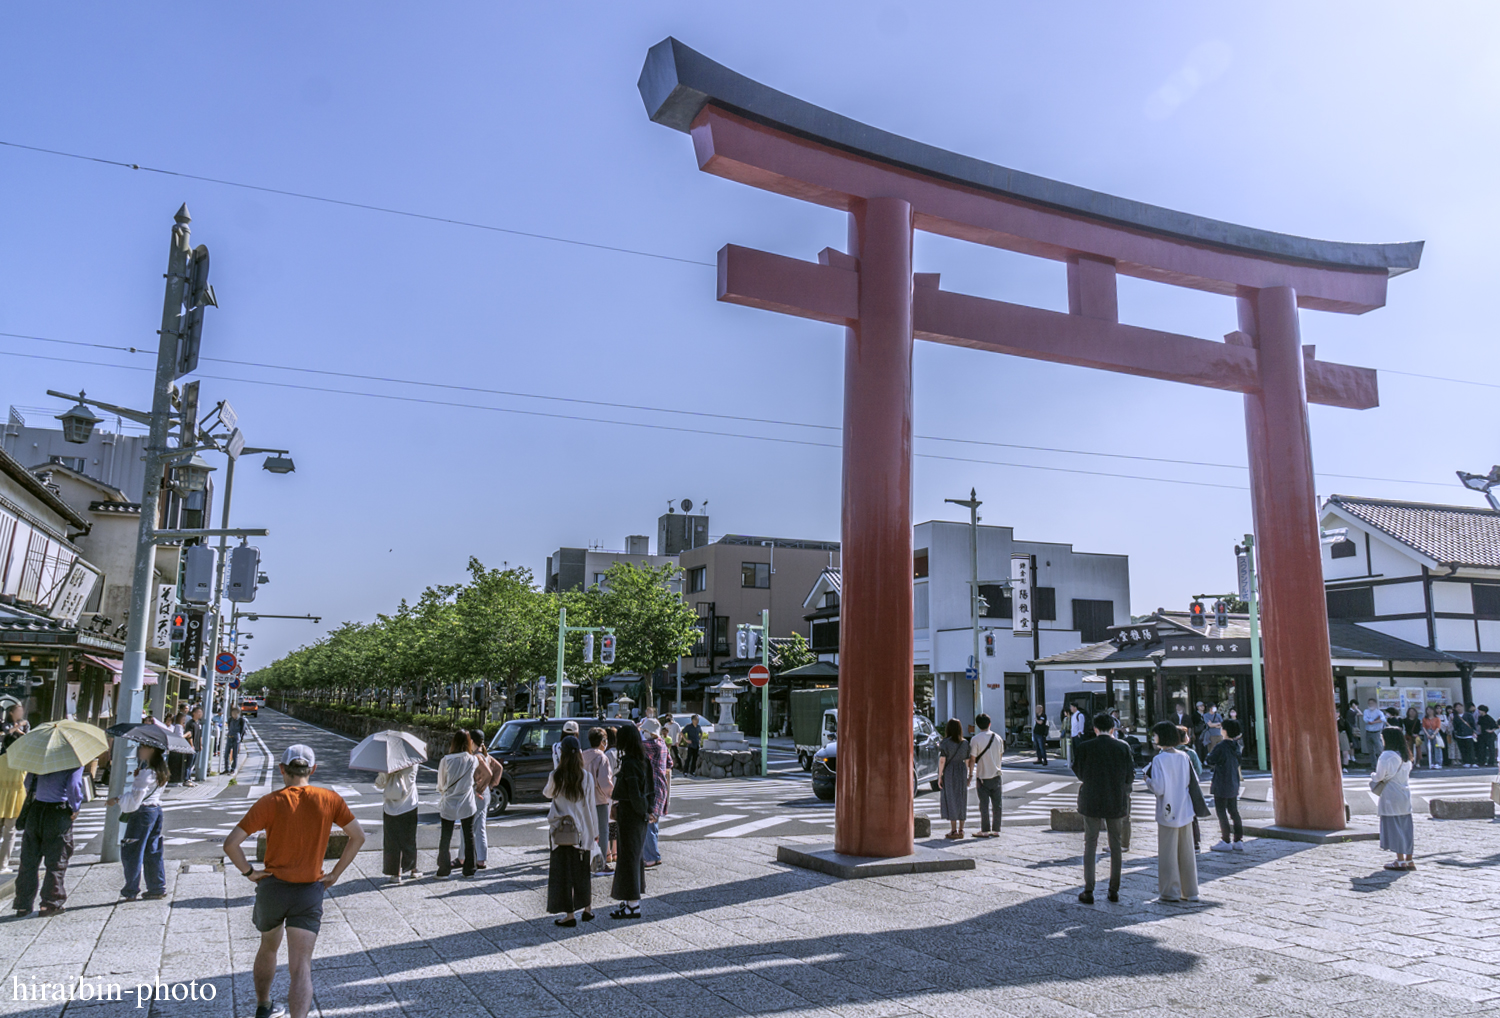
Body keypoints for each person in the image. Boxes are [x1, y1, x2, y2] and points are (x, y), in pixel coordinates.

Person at [223, 744, 365, 1018]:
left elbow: (231, 844)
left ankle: (263, 1005)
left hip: (273, 887)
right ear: (312, 770)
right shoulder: (330, 799)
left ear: (282, 770)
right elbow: (358, 836)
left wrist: (249, 873)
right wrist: (335, 873)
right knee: (301, 966)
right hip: (309, 891)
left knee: (268, 947)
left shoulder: (270, 802)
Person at [12, 754, 85, 918]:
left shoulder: (41, 758)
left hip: (36, 809)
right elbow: (74, 785)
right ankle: (50, 903)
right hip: (58, 811)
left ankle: (22, 905)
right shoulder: (74, 761)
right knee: (56, 860)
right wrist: (75, 806)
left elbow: (28, 782)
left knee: (29, 860)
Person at [1071, 712, 1134, 903]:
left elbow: (1079, 772)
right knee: (1115, 844)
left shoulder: (1085, 747)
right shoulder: (1123, 747)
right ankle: (1113, 889)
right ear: (1113, 729)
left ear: (1095, 728)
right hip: (1115, 798)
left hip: (1091, 798)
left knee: (1090, 842)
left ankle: (1088, 889)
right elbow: (1130, 776)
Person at [545, 735, 600, 927]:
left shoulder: (556, 775)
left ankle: (569, 915)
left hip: (561, 833)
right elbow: (591, 806)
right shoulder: (586, 777)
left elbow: (547, 793)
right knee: (582, 872)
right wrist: (595, 832)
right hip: (582, 832)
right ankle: (587, 909)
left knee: (563, 874)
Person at [1142, 721, 1198, 903]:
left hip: (1167, 808)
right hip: (1185, 807)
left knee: (1168, 853)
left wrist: (1147, 780)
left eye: (1155, 734)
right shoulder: (1184, 756)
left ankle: (1169, 891)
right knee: (1187, 852)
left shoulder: (1159, 760)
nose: (1154, 738)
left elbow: (1158, 788)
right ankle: (1190, 891)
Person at [108, 742, 169, 900]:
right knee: (152, 850)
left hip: (142, 813)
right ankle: (157, 887)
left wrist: (117, 799)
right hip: (156, 811)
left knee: (132, 851)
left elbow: (136, 799)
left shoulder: (146, 773)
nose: (139, 751)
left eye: (142, 748)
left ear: (151, 750)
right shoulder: (161, 770)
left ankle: (131, 889)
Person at [609, 723, 655, 919]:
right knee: (634, 857)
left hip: (631, 815)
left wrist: (640, 811)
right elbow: (650, 790)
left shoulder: (630, 763)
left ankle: (632, 905)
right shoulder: (643, 759)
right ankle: (630, 901)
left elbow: (635, 794)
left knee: (628, 858)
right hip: (639, 815)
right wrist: (649, 811)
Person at [1371, 726, 1414, 870]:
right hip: (1404, 792)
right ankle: (1409, 859)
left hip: (1391, 794)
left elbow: (1379, 776)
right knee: (1406, 827)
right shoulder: (1405, 755)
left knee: (1394, 827)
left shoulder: (1386, 755)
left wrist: (1372, 776)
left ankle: (1399, 860)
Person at [435, 731, 477, 879]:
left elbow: (441, 783)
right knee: (469, 835)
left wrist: (443, 792)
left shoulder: (446, 760)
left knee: (445, 836)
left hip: (449, 801)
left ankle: (444, 869)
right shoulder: (472, 760)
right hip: (467, 801)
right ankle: (470, 868)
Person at [454, 729, 496, 872]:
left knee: (467, 827)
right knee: (480, 827)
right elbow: (499, 769)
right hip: (485, 795)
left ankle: (462, 858)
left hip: (478, 796)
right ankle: (481, 860)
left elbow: (489, 773)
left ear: (471, 741)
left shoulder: (477, 757)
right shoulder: (486, 755)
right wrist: (490, 786)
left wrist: (479, 788)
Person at [375, 761, 419, 884]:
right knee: (409, 838)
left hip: (390, 807)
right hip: (409, 804)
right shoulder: (413, 761)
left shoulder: (388, 762)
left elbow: (380, 783)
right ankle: (412, 869)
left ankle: (395, 874)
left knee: (391, 840)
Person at [1205, 719, 1245, 852]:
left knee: (1221, 812)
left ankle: (1225, 839)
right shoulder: (1236, 746)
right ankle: (1238, 840)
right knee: (1234, 811)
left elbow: (1210, 760)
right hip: (1233, 782)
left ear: (1225, 730)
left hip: (1221, 782)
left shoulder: (1221, 746)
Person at [639, 718, 672, 869]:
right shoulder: (662, 743)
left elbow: (639, 745)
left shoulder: (652, 744)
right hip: (660, 785)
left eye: (644, 731)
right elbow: (670, 763)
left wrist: (636, 729)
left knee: (650, 822)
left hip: (655, 786)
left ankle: (652, 856)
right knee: (654, 822)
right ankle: (653, 854)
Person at [583, 727, 615, 875]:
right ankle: (600, 865)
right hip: (599, 799)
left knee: (587, 831)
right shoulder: (602, 758)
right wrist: (612, 794)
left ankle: (586, 862)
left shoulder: (583, 756)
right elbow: (604, 781)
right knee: (602, 831)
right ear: (603, 741)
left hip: (583, 800)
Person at [0, 709, 29, 873]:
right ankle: (2, 865)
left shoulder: (0, 760)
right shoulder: (22, 762)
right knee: (10, 833)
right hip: (15, 798)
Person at [970, 713, 1004, 838]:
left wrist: (970, 774)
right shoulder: (998, 738)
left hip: (982, 776)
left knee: (983, 804)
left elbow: (972, 759)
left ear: (978, 725)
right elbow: (1000, 756)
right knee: (997, 804)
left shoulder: (975, 739)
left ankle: (984, 829)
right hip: (996, 774)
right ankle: (996, 829)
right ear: (990, 724)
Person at [937, 719, 971, 839]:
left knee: (951, 798)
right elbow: (967, 760)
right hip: (961, 770)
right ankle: (962, 829)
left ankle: (953, 830)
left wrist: (939, 776)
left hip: (949, 771)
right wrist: (967, 774)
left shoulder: (945, 742)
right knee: (962, 798)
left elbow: (942, 760)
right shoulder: (965, 743)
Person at [1362, 698, 1386, 768]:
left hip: (1377, 732)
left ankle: (1381, 764)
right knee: (1371, 749)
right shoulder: (1366, 711)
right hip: (1368, 732)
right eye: (1369, 703)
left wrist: (1373, 722)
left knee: (1379, 749)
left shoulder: (1379, 712)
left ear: (1375, 704)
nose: (1370, 705)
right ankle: (1374, 764)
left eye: (1372, 703)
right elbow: (1366, 720)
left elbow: (1383, 719)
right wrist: (1372, 721)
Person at [183, 707, 203, 786]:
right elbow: (189, 734)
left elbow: (200, 735)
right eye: (198, 712)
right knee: (189, 763)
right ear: (193, 713)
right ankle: (186, 779)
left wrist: (200, 745)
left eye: (200, 712)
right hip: (191, 746)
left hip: (197, 746)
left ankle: (189, 778)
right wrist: (191, 745)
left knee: (192, 764)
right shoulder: (190, 723)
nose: (200, 714)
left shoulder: (199, 723)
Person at [224, 708, 247, 773]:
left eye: (235, 713)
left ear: (238, 713)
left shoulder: (241, 720)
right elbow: (229, 728)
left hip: (236, 737)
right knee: (226, 754)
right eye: (232, 713)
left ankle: (233, 768)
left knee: (235, 754)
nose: (234, 715)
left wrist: (240, 739)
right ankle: (226, 768)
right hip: (229, 736)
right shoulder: (230, 719)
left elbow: (242, 730)